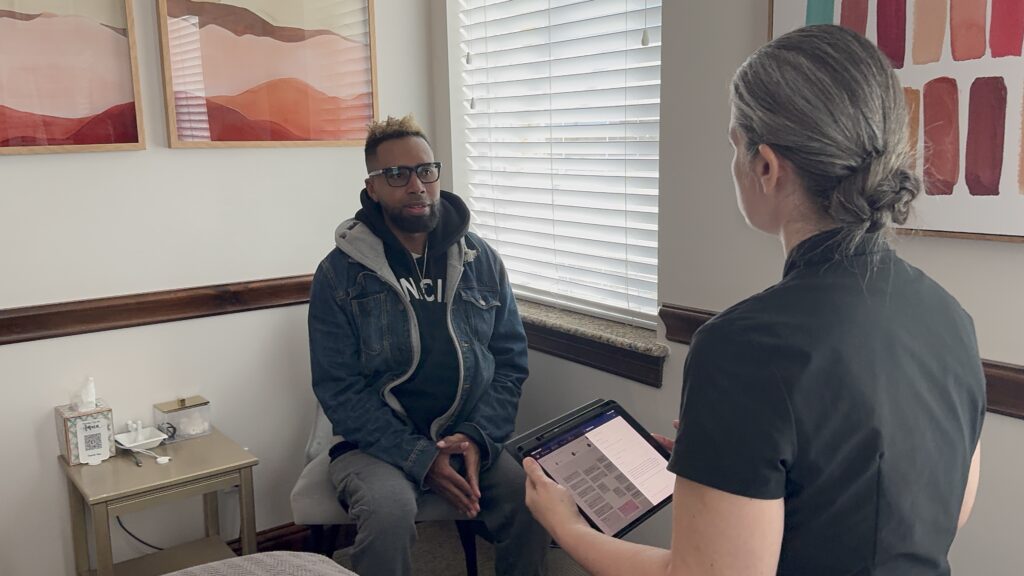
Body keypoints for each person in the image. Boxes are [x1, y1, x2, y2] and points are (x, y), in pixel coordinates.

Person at [524, 24, 985, 576]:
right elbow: (943, 511)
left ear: (765, 166)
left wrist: (566, 526)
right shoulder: (951, 317)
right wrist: (735, 464)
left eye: (733, 146)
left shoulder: (742, 347)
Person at [308, 115, 549, 576]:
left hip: (467, 434)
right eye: (396, 175)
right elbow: (338, 389)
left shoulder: (482, 261)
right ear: (372, 187)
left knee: (534, 499)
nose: (416, 185)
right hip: (373, 445)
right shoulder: (339, 274)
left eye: (425, 170)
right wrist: (419, 457)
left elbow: (510, 364)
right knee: (389, 513)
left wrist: (477, 439)